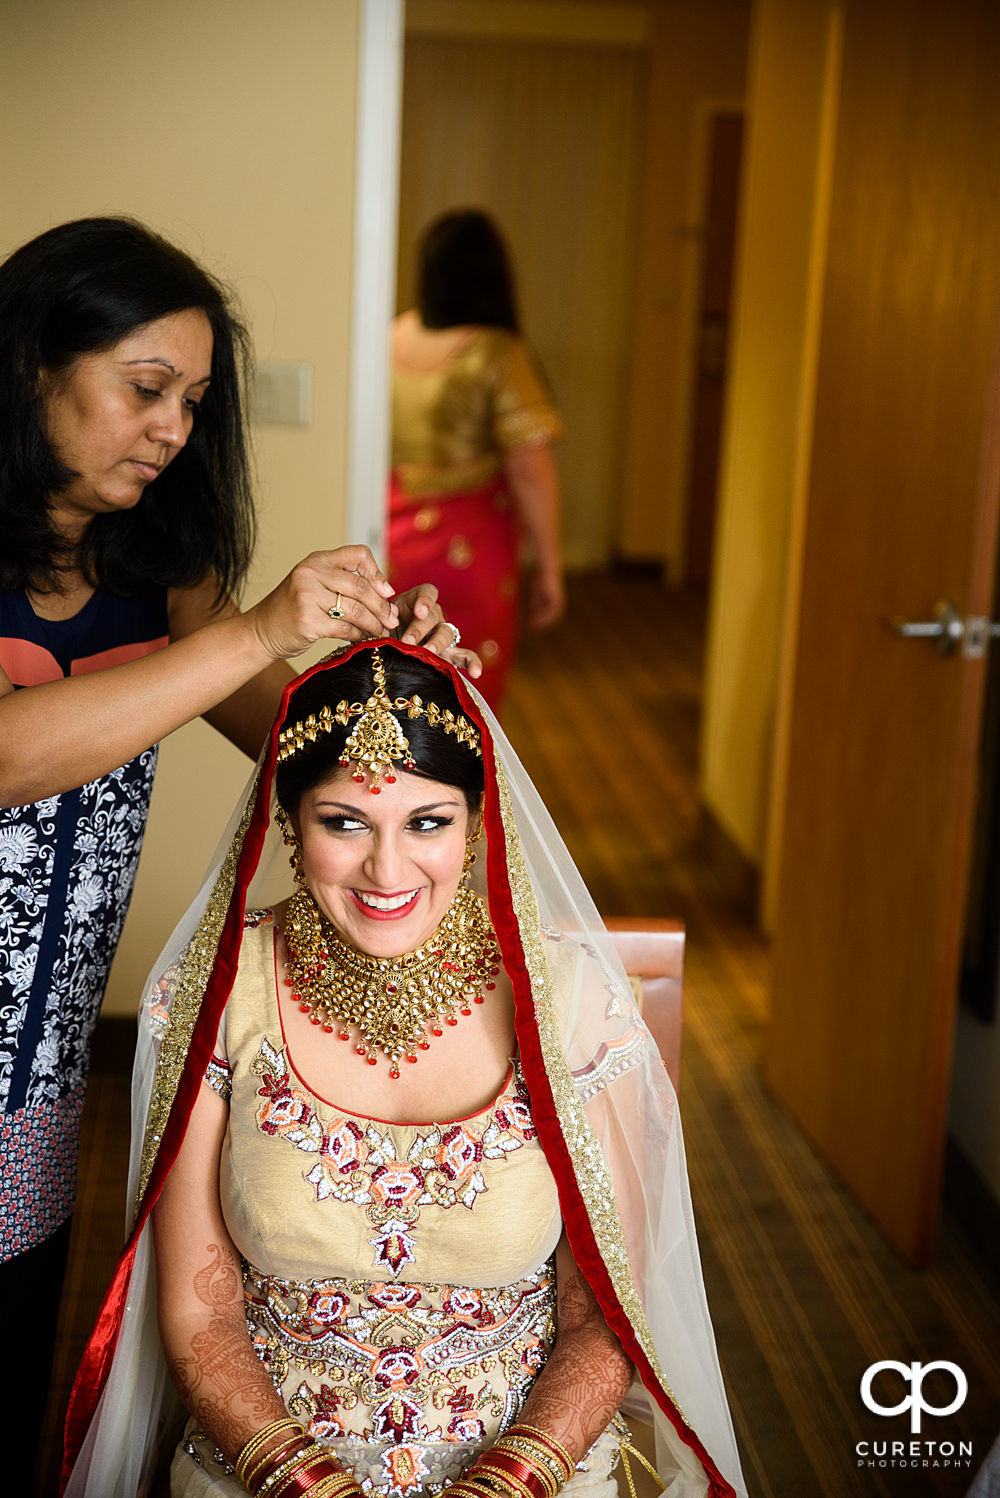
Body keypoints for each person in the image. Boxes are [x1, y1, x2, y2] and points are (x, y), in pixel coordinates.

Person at [0, 215, 476, 1459]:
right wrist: (261, 626)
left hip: (38, 1072)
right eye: (145, 389)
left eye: (195, 401)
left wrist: (401, 686)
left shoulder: (152, 577)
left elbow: (293, 742)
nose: (174, 429)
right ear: (26, 367)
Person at [63, 640, 747, 1498]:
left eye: (427, 822)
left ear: (476, 822)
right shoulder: (220, 989)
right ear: (288, 822)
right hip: (264, 1471)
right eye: (343, 822)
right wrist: (307, 1484)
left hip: (530, 1474)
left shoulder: (567, 1002)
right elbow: (200, 1314)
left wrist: (500, 1486)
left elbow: (602, 1316)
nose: (387, 871)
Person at [389, 210, 566, 710]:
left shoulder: (390, 336)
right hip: (469, 545)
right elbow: (531, 473)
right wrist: (551, 567)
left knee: (396, 690)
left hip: (390, 537)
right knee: (466, 695)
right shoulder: (498, 352)